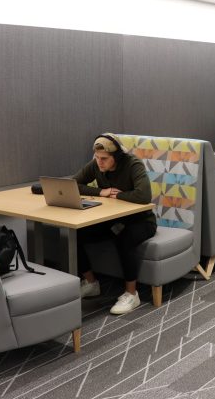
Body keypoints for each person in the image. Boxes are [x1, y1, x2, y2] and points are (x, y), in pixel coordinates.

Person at [72, 133, 156, 315]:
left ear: (116, 157)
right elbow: (74, 184)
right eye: (97, 158)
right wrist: (101, 191)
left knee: (124, 238)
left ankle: (132, 294)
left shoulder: (133, 164)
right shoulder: (97, 164)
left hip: (141, 221)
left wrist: (117, 194)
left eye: (104, 159)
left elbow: (144, 196)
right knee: (76, 233)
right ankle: (91, 283)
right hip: (113, 220)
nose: (99, 162)